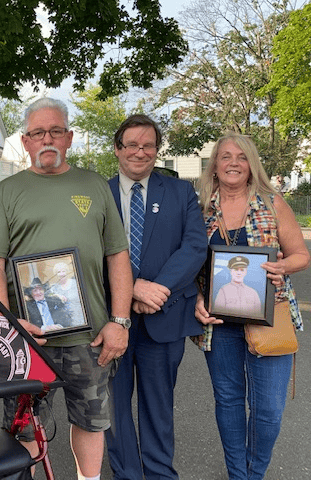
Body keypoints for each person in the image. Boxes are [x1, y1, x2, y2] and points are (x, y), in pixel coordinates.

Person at [0, 97, 133, 480]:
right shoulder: (6, 192)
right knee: (25, 429)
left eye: (55, 131)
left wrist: (120, 321)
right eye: (37, 133)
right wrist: (7, 325)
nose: (46, 139)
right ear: (25, 140)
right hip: (29, 340)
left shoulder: (95, 185)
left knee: (91, 423)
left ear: (69, 137)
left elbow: (118, 256)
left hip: (92, 338)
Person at [194, 132, 310, 480]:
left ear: (251, 164)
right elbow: (189, 264)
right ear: (215, 164)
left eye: (241, 157)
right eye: (225, 156)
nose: (233, 163)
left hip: (268, 317)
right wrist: (197, 296)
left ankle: (255, 470)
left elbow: (301, 255)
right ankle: (238, 475)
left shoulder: (272, 203)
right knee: (228, 403)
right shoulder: (200, 208)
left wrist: (282, 266)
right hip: (218, 320)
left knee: (269, 410)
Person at [105, 114, 208, 480]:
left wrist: (157, 290)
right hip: (110, 321)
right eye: (131, 144)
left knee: (159, 409)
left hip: (163, 319)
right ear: (117, 149)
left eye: (148, 145)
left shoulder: (180, 193)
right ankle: (127, 475)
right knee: (113, 413)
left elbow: (195, 245)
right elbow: (85, 252)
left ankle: (161, 474)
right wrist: (132, 287)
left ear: (156, 150)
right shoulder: (96, 195)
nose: (140, 152)